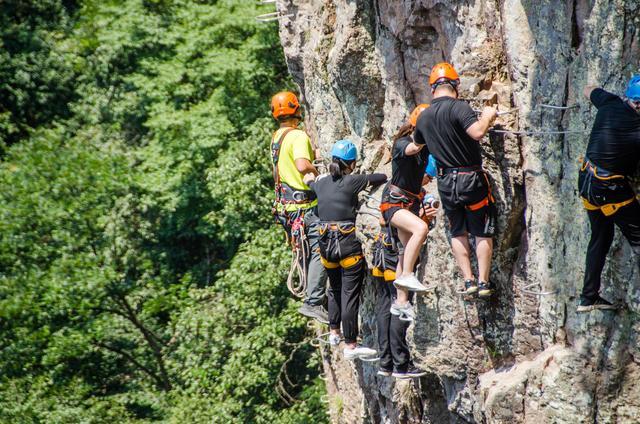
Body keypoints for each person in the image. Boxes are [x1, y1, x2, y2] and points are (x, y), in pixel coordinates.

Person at [414, 62, 498, 298]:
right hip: (470, 178)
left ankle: (468, 280)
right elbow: (478, 132)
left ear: (433, 89)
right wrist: (487, 116)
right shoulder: (459, 108)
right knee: (481, 231)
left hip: (445, 183)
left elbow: (417, 144)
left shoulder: (424, 116)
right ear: (455, 85)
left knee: (458, 231)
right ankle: (483, 282)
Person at [304, 139, 387, 360]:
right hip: (346, 245)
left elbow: (310, 186)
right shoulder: (352, 181)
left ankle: (334, 332)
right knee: (349, 294)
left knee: (334, 288)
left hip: (325, 246)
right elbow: (381, 178)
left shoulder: (321, 184)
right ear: (350, 163)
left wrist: (311, 179)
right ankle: (350, 345)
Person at [577, 76, 640, 312]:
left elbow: (588, 89)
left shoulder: (610, 102)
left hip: (587, 182)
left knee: (600, 237)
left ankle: (588, 297)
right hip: (609, 189)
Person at [372, 157, 437, 378]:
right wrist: (423, 218)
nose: (427, 182)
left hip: (384, 252)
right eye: (427, 177)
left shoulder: (398, 187)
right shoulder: (406, 190)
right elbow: (395, 220)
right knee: (400, 303)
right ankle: (400, 363)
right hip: (394, 256)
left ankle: (386, 363)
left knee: (385, 306)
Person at [270, 91, 328, 323]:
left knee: (303, 251)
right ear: (297, 110)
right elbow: (303, 165)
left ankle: (315, 295)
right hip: (305, 207)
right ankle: (313, 302)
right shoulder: (298, 136)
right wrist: (319, 175)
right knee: (319, 250)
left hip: (287, 208)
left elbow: (279, 170)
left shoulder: (277, 138)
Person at [379, 104, 438, 322]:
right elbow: (412, 149)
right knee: (420, 229)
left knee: (405, 251)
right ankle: (406, 276)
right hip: (394, 203)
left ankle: (401, 303)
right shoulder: (402, 143)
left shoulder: (426, 151)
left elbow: (420, 177)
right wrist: (427, 132)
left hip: (409, 202)